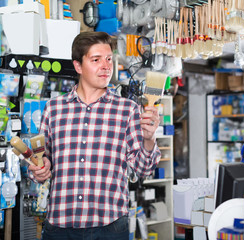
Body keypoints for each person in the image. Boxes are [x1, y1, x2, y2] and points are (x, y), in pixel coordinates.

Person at [28, 31, 161, 240]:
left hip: (110, 226)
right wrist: (39, 168)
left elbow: (142, 170)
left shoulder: (127, 110)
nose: (106, 66)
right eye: (96, 59)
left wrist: (149, 139)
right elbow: (39, 160)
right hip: (60, 226)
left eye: (109, 59)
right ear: (78, 66)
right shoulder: (54, 108)